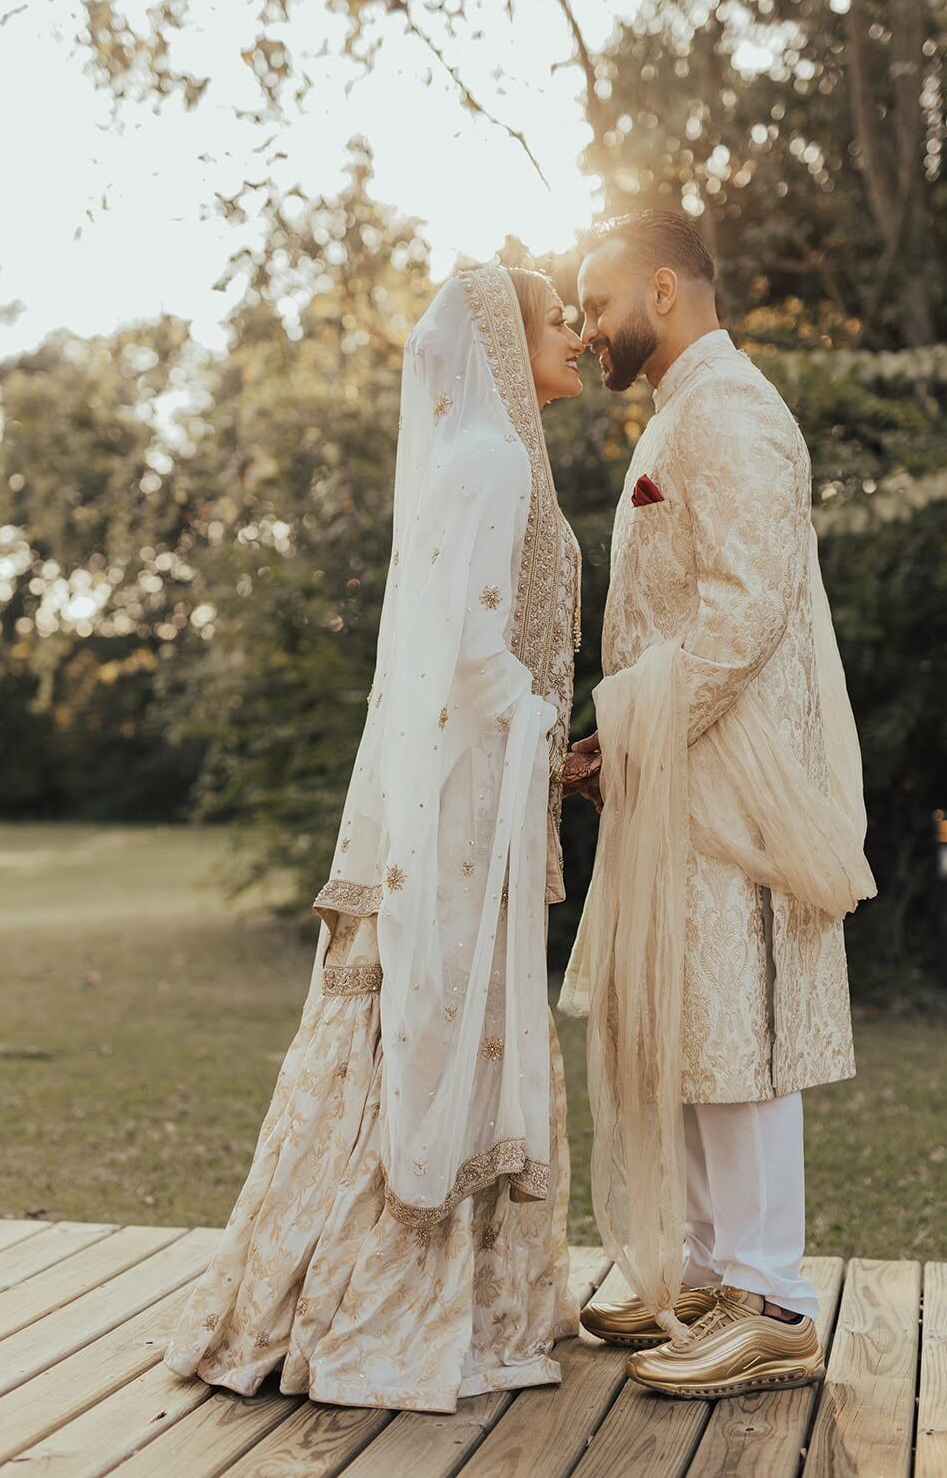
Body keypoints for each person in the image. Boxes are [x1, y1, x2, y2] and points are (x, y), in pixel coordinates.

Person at [165, 264, 586, 1414]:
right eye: (560, 320)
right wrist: (544, 721)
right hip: (459, 812)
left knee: (422, 1024)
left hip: (469, 795)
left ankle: (339, 1289)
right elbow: (466, 654)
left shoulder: (482, 461)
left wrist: (547, 753)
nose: (581, 334)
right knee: (444, 1030)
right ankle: (387, 1311)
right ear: (507, 342)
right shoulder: (494, 465)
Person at [559, 209, 875, 1400]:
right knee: (686, 1017)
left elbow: (747, 612)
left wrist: (641, 724)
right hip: (678, 765)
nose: (588, 332)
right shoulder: (686, 410)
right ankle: (700, 1270)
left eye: (596, 305)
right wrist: (616, 743)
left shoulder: (734, 413)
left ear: (662, 289)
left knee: (737, 1025)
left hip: (731, 777)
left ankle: (772, 1297)